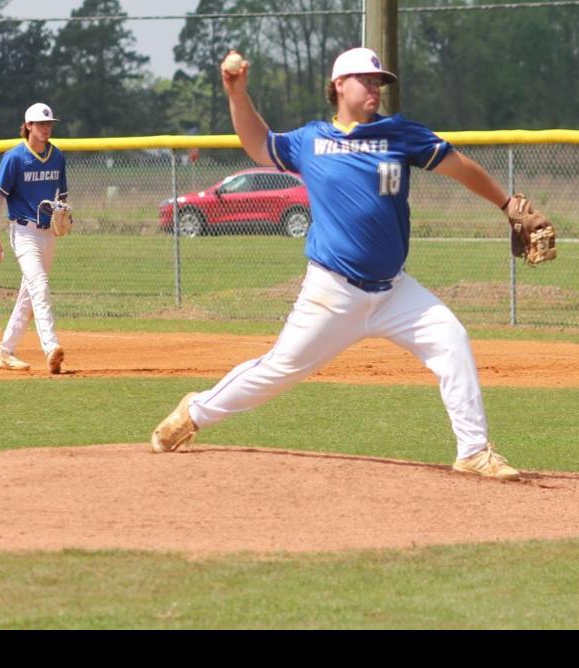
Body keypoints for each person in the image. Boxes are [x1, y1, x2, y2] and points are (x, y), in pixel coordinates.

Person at [151, 47, 522, 480]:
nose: (375, 88)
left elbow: (461, 168)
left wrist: (507, 203)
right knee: (278, 370)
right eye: (366, 80)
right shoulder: (311, 141)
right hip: (333, 292)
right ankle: (194, 412)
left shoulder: (400, 133)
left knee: (452, 340)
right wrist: (237, 94)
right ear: (339, 85)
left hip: (395, 291)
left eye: (379, 81)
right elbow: (258, 145)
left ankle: (474, 451)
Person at [0, 102, 67, 374]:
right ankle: (51, 348)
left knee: (29, 297)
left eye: (49, 124)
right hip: (23, 232)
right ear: (28, 126)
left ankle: (5, 352)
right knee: (40, 286)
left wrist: (63, 214)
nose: (46, 129)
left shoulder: (57, 156)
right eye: (41, 124)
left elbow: (62, 196)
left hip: (48, 234)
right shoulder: (15, 157)